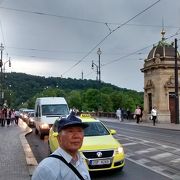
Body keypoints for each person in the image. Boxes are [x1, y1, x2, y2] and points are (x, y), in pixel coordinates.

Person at [32, 114, 91, 180]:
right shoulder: (46, 168)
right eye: (70, 131)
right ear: (59, 138)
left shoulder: (81, 160)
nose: (76, 136)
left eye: (79, 131)